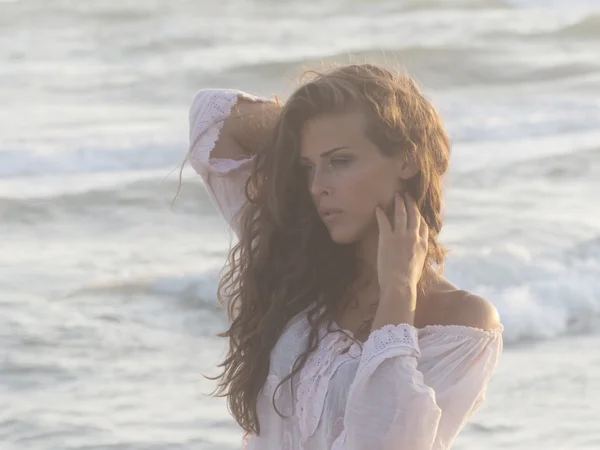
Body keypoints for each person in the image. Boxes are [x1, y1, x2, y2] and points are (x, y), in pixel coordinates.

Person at [185, 64, 503, 449]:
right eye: (307, 168)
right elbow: (213, 117)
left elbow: (384, 441)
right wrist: (304, 132)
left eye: (340, 161)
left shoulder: (463, 324)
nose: (318, 187)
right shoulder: (297, 260)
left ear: (406, 159)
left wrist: (398, 291)